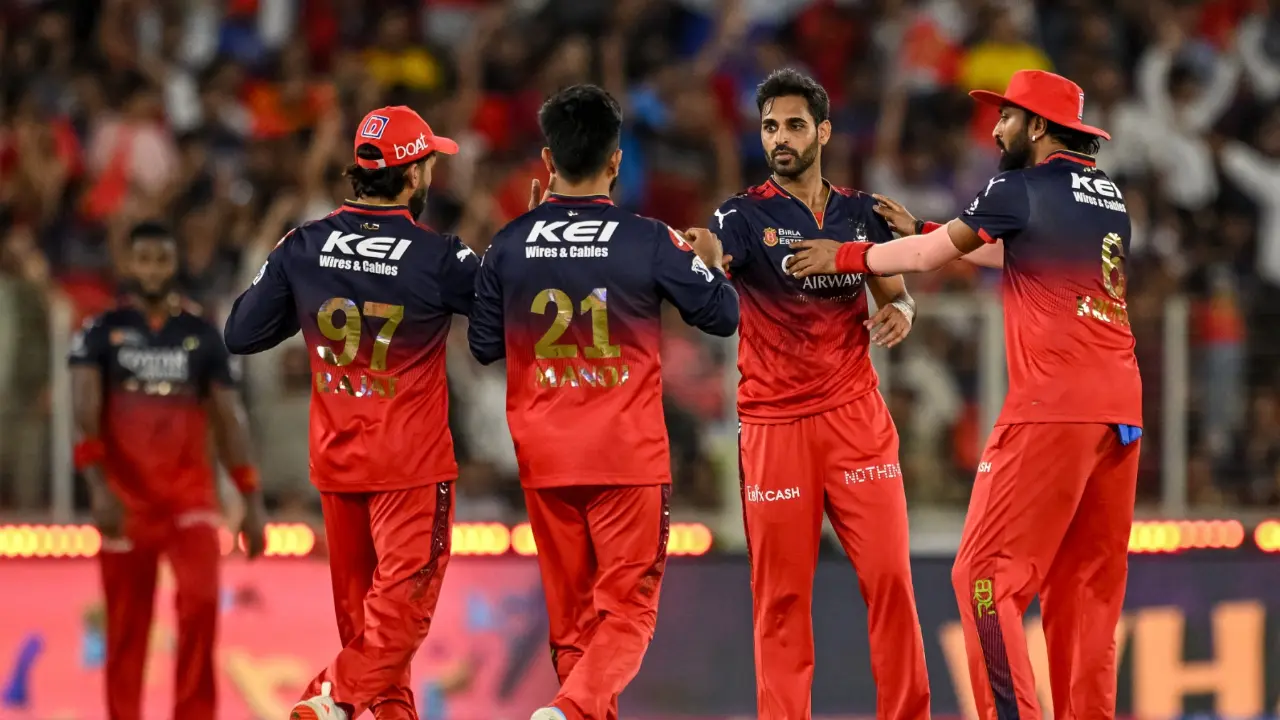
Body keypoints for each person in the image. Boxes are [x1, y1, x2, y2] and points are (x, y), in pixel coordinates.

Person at [788, 69, 1143, 720]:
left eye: (1006, 116)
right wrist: (921, 227)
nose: (996, 127)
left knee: (981, 575)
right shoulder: (1107, 195)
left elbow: (928, 261)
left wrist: (846, 256)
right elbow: (1012, 254)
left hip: (1053, 406)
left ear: (1037, 127)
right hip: (1120, 410)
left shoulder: (1019, 184)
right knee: (1085, 592)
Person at [468, 84, 739, 720]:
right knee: (630, 612)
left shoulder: (510, 243)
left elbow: (484, 344)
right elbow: (722, 315)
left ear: (547, 159)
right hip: (626, 459)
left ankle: (572, 708)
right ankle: (569, 711)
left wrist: (531, 246)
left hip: (545, 457)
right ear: (616, 162)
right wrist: (709, 262)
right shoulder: (649, 239)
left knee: (573, 625)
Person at [223, 106, 479, 720]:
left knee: (372, 634)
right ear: (413, 175)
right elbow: (501, 327)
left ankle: (341, 699)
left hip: (338, 464)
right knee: (395, 626)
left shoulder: (304, 244)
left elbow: (240, 331)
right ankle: (327, 696)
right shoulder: (438, 255)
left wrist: (312, 298)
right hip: (410, 467)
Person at [708, 68, 930, 720]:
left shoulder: (863, 213)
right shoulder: (741, 215)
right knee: (780, 599)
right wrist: (700, 254)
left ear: (823, 131)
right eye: (771, 125)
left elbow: (897, 289)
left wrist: (904, 311)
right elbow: (716, 253)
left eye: (794, 125)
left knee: (890, 582)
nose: (780, 137)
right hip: (775, 428)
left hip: (856, 417)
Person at [69, 221, 267, 720]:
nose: (153, 269)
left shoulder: (201, 335)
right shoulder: (101, 333)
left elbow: (229, 418)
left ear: (174, 264)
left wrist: (251, 496)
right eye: (144, 259)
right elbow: (82, 411)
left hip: (190, 501)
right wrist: (97, 486)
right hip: (125, 500)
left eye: (162, 258)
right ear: (130, 265)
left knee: (200, 607)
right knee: (126, 629)